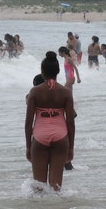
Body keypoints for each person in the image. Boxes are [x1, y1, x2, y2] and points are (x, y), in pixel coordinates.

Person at [25, 52, 74, 191]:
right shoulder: (65, 92)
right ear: (58, 71)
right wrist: (71, 147)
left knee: (38, 187)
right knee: (56, 188)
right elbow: (70, 122)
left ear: (42, 72)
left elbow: (29, 122)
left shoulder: (35, 92)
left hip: (40, 135)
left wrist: (29, 146)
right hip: (60, 135)